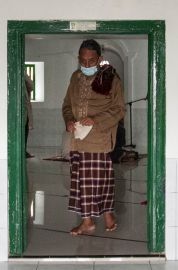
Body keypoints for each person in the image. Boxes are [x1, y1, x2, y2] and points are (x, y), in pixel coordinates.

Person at [62, 39, 125, 235]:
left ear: (100, 59)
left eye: (91, 61)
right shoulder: (75, 77)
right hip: (77, 139)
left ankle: (106, 214)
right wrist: (69, 120)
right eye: (83, 60)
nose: (87, 65)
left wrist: (96, 120)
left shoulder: (111, 79)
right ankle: (88, 220)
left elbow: (119, 109)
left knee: (101, 181)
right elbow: (66, 105)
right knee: (81, 182)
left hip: (99, 139)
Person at [24, 72, 34, 158]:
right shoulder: (22, 73)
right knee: (24, 131)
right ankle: (23, 150)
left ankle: (23, 150)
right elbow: (31, 85)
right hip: (24, 112)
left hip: (24, 111)